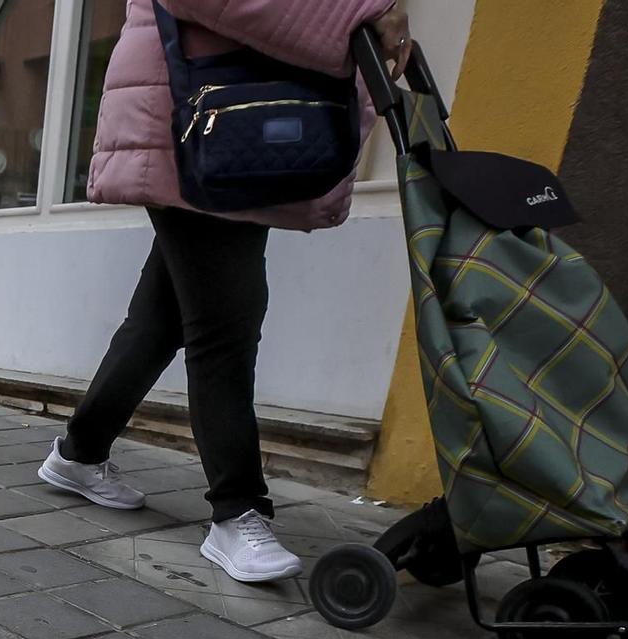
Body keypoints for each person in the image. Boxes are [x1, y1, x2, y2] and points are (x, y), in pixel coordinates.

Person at [35, 0, 412, 583]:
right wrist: (363, 14)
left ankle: (79, 454)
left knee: (163, 318)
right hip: (204, 118)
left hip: (226, 119)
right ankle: (237, 511)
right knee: (227, 322)